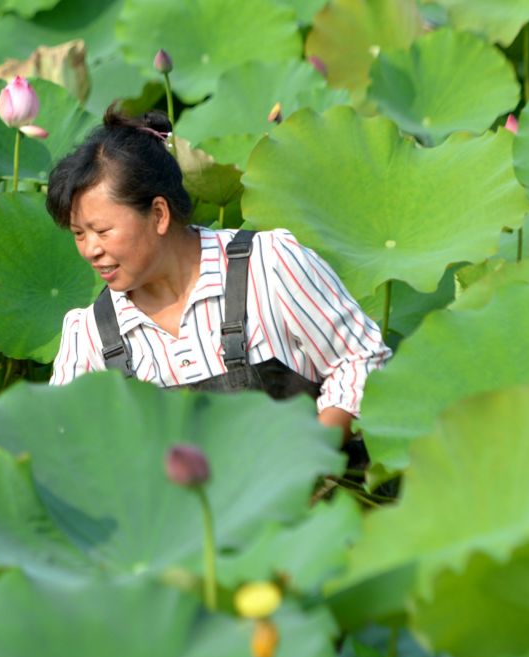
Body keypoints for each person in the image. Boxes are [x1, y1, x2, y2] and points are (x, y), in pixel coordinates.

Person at [45, 106, 391, 457]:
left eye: (102, 231)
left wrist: (308, 460)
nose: (90, 249)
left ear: (159, 215)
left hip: (316, 496)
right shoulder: (91, 334)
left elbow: (360, 359)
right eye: (78, 234)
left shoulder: (267, 265)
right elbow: (61, 445)